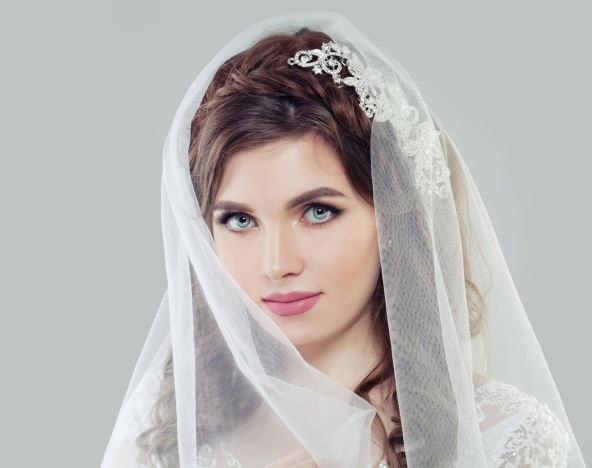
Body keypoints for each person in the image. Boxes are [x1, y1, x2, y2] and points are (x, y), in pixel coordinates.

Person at [100, 12, 586, 468]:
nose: (276, 263)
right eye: (240, 220)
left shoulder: (505, 439)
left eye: (318, 212)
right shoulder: (169, 431)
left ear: (394, 218)